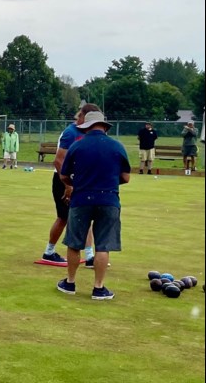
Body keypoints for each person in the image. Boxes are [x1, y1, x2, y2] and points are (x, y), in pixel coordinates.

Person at [56, 110, 130, 300]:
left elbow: (63, 175)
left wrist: (77, 183)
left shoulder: (77, 146)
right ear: (105, 127)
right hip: (109, 200)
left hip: (81, 199)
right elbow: (125, 177)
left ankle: (70, 283)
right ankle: (99, 288)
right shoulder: (117, 146)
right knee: (103, 245)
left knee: (74, 243)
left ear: (86, 127)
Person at [40, 103, 99, 267]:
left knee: (86, 216)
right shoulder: (70, 133)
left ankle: (89, 257)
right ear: (82, 117)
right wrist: (68, 184)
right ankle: (49, 252)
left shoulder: (89, 133)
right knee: (64, 217)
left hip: (82, 181)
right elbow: (59, 161)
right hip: (62, 180)